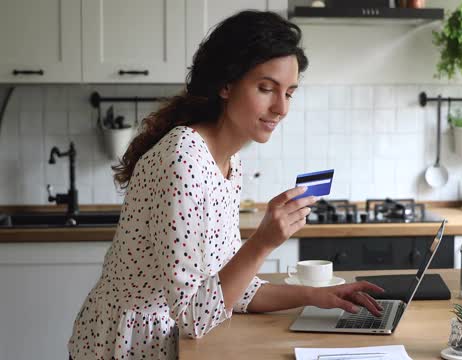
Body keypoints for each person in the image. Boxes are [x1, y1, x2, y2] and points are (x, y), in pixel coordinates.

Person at [68, 10, 383, 360]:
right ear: (225, 84)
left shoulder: (229, 163)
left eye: (289, 93)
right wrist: (263, 242)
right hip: (129, 347)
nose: (280, 108)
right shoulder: (182, 160)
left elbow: (230, 292)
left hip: (174, 344)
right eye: (266, 88)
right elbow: (192, 316)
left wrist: (316, 296)